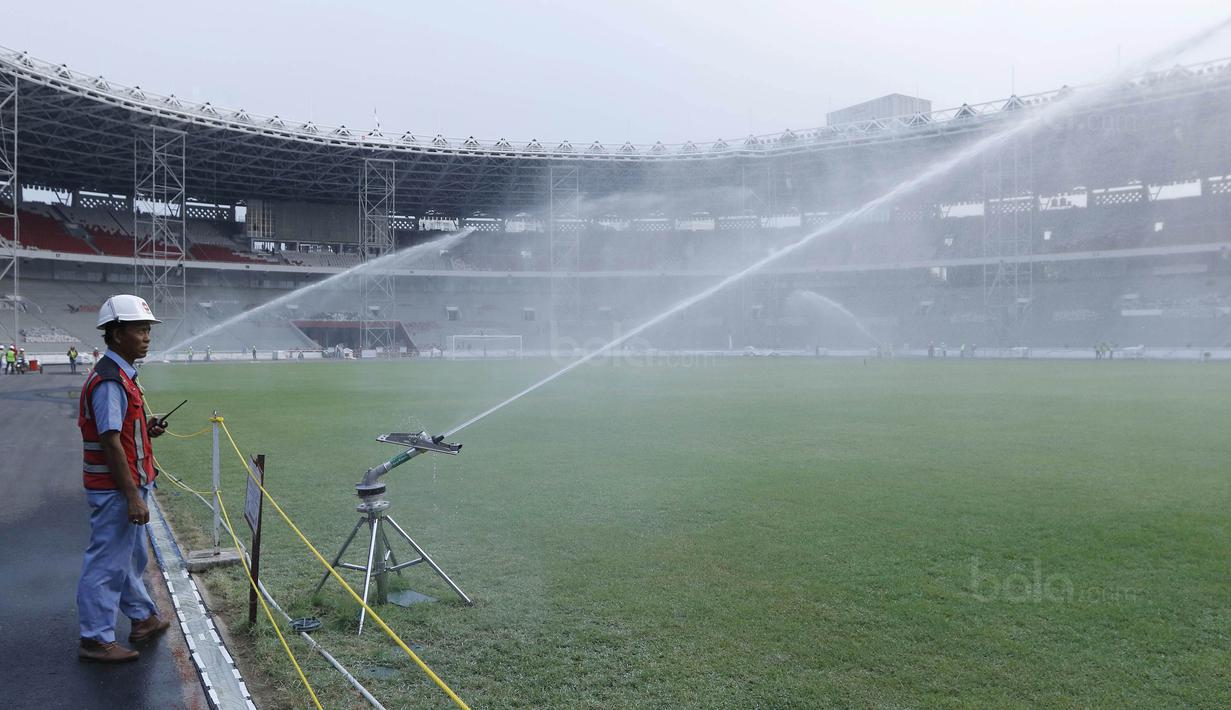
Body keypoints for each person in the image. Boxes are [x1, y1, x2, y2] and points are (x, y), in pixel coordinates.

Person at [76, 294, 171, 663]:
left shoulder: (122, 376)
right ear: (116, 334)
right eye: (139, 329)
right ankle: (95, 638)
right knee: (106, 562)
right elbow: (110, 441)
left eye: (148, 329)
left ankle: (143, 618)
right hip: (116, 491)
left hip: (126, 486)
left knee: (131, 557)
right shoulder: (111, 381)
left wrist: (146, 428)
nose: (147, 336)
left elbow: (121, 432)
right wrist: (132, 496)